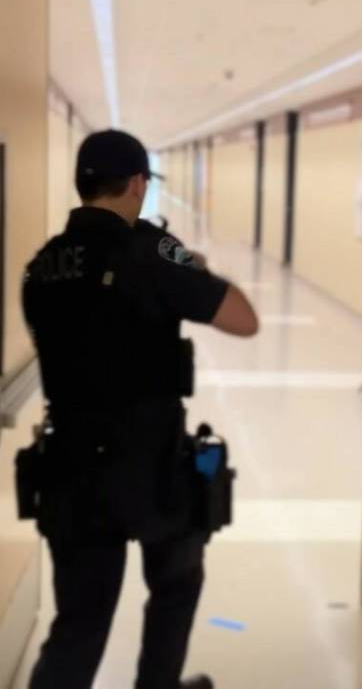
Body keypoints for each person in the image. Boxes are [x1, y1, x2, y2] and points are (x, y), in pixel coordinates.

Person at [22, 129, 258, 689]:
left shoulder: (43, 265)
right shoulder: (157, 248)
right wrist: (193, 270)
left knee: (79, 622)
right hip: (152, 470)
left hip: (72, 466)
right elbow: (244, 319)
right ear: (136, 184)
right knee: (175, 589)